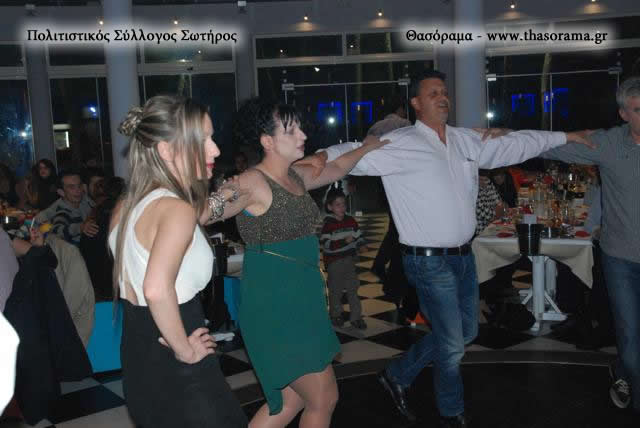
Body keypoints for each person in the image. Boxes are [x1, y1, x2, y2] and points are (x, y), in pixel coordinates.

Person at [314, 69, 593, 426]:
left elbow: (518, 144)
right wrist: (320, 156)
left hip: (463, 257)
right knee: (452, 344)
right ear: (416, 103)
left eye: (444, 92)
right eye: (433, 93)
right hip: (427, 262)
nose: (442, 97)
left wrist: (565, 136)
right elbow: (352, 151)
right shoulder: (400, 143)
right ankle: (451, 411)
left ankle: (397, 374)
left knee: (465, 333)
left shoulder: (465, 140)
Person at [229, 98, 389, 428]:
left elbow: (339, 167)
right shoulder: (250, 182)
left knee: (290, 401)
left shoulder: (296, 176)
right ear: (267, 141)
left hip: (303, 299)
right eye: (291, 130)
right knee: (323, 397)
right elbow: (205, 210)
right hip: (275, 304)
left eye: (301, 128)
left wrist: (367, 147)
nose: (303, 135)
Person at [108, 95, 247, 427]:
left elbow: (192, 216)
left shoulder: (128, 203)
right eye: (203, 140)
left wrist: (225, 195)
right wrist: (184, 350)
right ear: (167, 150)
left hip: (139, 347)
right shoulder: (175, 209)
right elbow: (156, 289)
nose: (215, 150)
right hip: (177, 342)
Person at [540, 76, 640, 415]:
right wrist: (505, 137)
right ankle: (629, 378)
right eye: (638, 110)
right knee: (629, 336)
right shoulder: (608, 144)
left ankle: (623, 372)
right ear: (624, 114)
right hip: (621, 259)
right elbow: (550, 146)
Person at [320, 188, 367, 329]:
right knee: (336, 290)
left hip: (349, 260)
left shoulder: (350, 221)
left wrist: (361, 244)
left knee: (353, 288)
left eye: (344, 204)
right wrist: (343, 242)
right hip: (334, 263)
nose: (342, 208)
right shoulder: (328, 224)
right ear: (330, 207)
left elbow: (358, 235)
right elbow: (326, 244)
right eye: (338, 205)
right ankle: (336, 314)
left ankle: (356, 317)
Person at [35, 171, 97, 245]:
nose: (78, 190)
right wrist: (80, 227)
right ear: (61, 192)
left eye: (79, 185)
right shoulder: (62, 211)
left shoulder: (85, 199)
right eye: (72, 187)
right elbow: (58, 230)